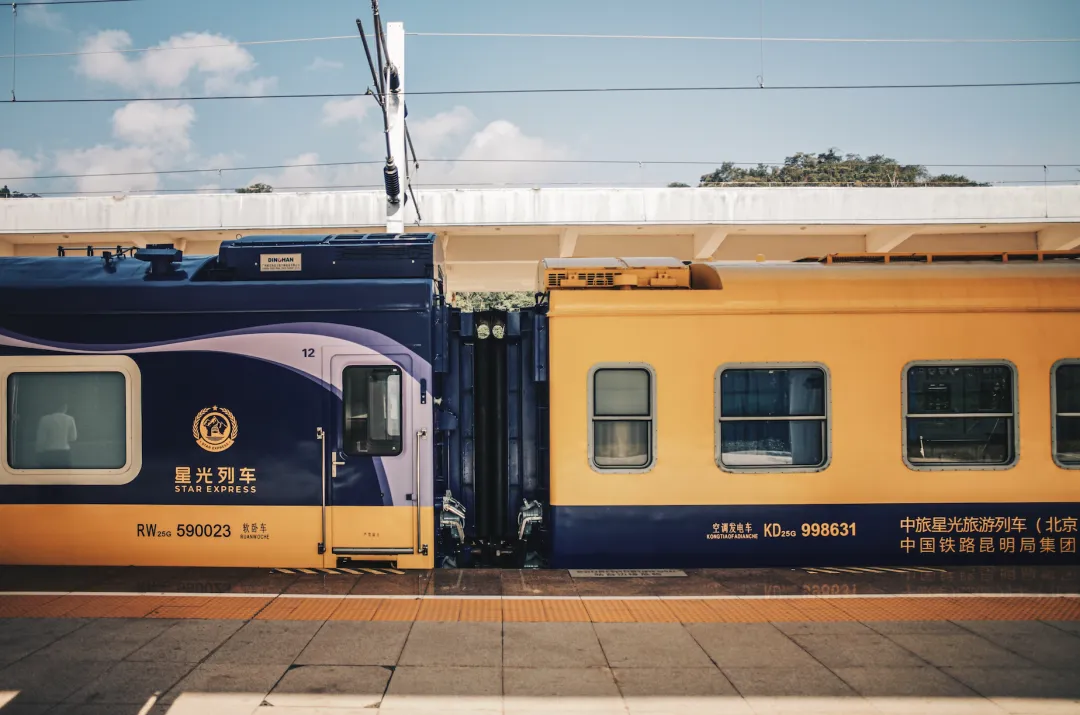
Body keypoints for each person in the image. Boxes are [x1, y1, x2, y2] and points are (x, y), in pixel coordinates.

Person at [35, 402, 77, 469]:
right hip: (64, 453)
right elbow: (73, 438)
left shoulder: (44, 419)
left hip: (49, 453)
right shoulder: (70, 419)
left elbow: (40, 441)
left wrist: (39, 454)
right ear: (65, 407)